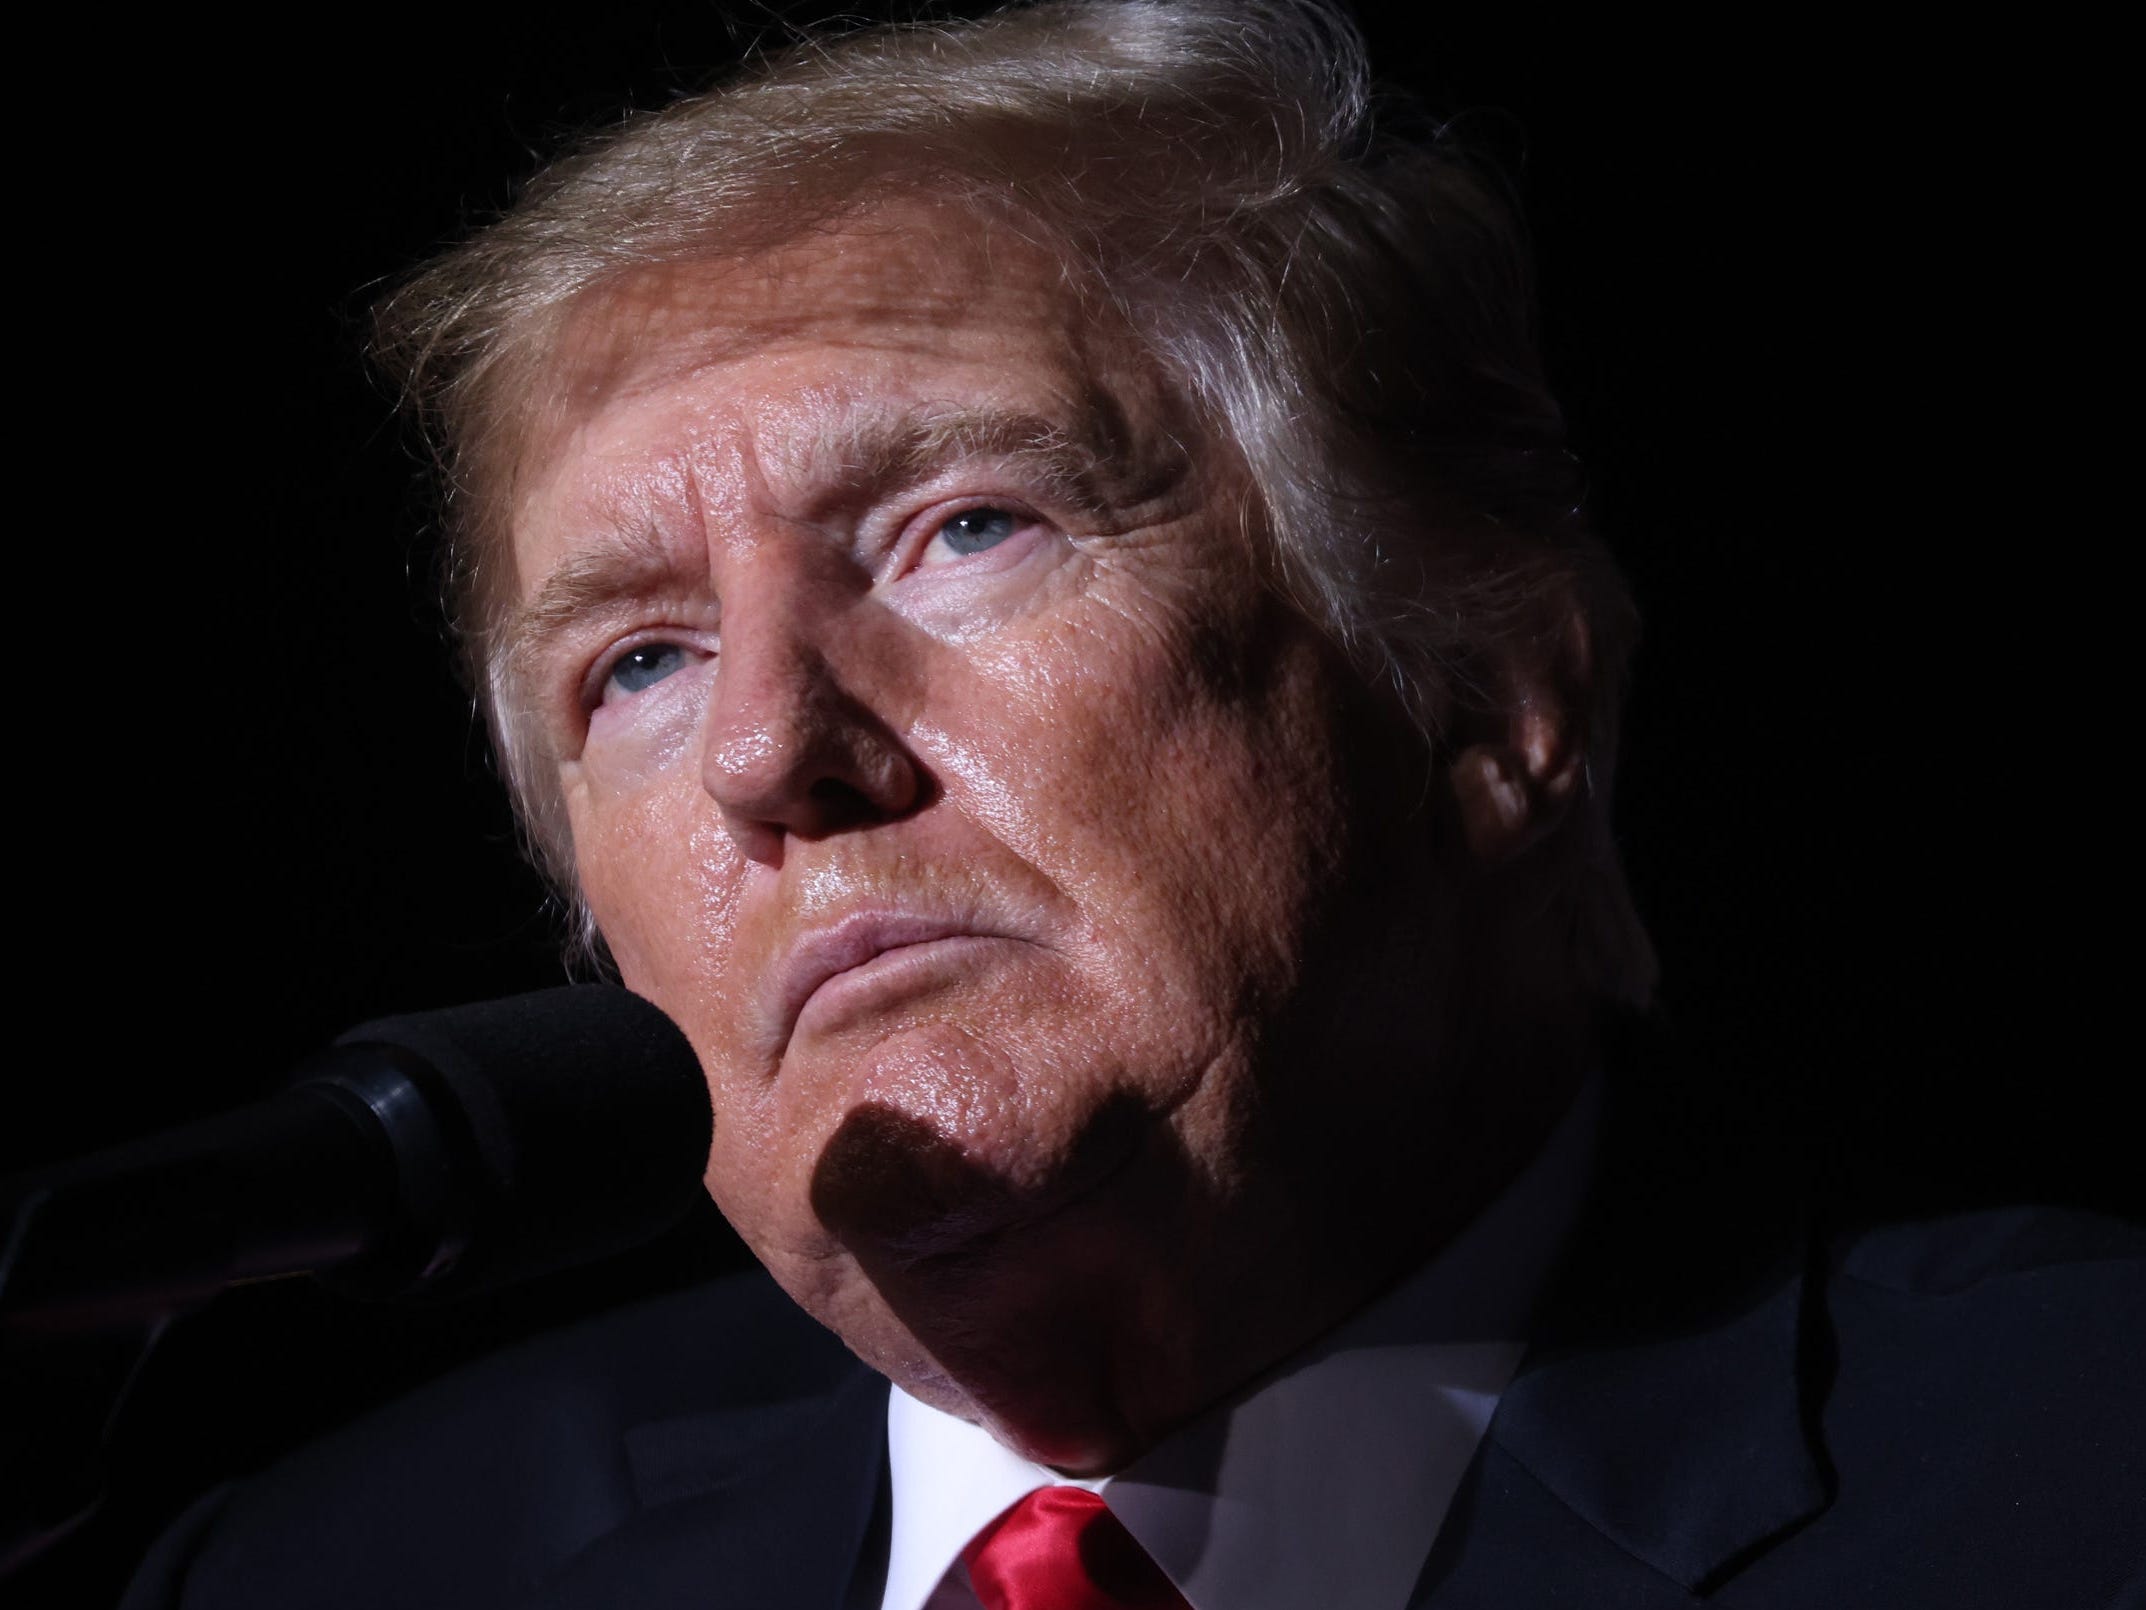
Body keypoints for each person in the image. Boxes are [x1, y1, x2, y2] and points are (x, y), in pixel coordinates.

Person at [124, 3, 2143, 1607]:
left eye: (963, 530)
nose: (761, 749)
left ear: (1494, 701)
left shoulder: (2073, 1481)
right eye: (634, 660)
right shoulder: (333, 1566)